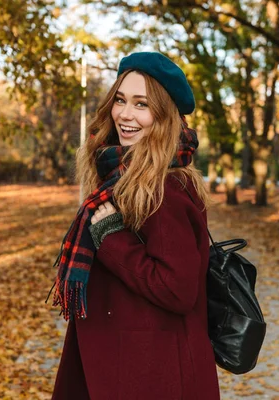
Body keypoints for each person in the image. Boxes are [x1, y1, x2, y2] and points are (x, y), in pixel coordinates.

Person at [50, 51, 220, 400]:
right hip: (125, 360)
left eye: (141, 105)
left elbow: (177, 289)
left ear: (164, 117)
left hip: (154, 374)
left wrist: (112, 239)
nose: (125, 115)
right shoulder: (121, 175)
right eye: (121, 100)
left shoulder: (166, 187)